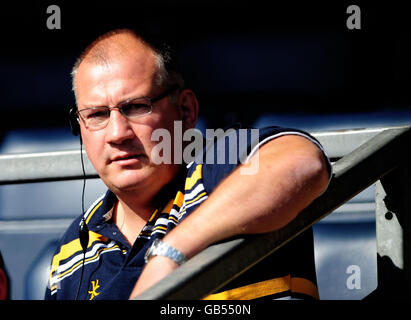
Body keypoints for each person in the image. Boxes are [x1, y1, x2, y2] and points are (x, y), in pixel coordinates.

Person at [45, 28, 332, 300]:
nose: (118, 134)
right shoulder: (73, 247)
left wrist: (168, 256)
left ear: (186, 111)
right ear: (78, 127)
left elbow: (303, 161)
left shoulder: (216, 163)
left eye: (136, 107)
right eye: (96, 114)